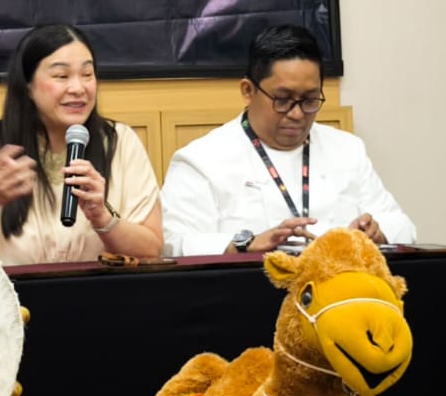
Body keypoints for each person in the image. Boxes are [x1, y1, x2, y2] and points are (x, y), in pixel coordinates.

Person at [161, 24, 417, 256]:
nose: (297, 114)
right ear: (248, 91)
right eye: (282, 100)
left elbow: (403, 227)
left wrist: (377, 232)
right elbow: (173, 242)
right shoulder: (201, 159)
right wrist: (244, 244)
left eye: (309, 100)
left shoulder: (348, 149)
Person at [0, 23, 163, 264]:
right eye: (61, 76)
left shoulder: (120, 143)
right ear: (27, 86)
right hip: (11, 298)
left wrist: (103, 218)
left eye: (87, 75)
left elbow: (152, 249)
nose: (78, 88)